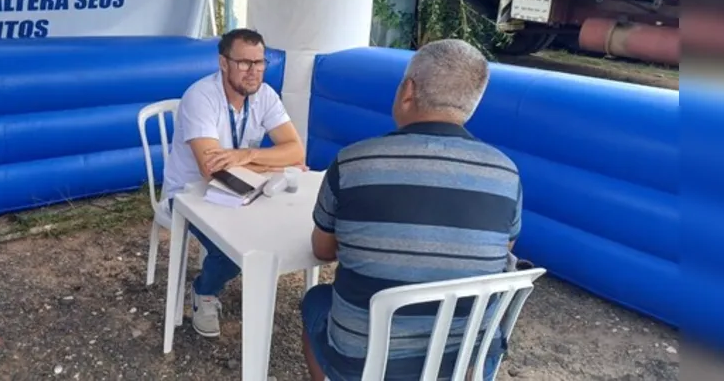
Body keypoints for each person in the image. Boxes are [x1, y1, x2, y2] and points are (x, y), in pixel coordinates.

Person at [300, 39, 523, 381]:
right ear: (471, 104)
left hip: (365, 363)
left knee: (315, 300)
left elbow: (322, 250)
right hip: (466, 363)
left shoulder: (353, 162)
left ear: (407, 91)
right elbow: (502, 252)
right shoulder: (506, 173)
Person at [161, 28, 305, 338]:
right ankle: (204, 291)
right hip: (190, 194)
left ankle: (229, 277)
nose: (253, 72)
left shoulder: (265, 94)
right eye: (244, 63)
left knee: (287, 225)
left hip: (244, 187)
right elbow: (210, 169)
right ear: (223, 63)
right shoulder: (201, 96)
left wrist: (245, 155)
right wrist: (269, 159)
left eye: (259, 62)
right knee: (236, 247)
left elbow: (296, 151)